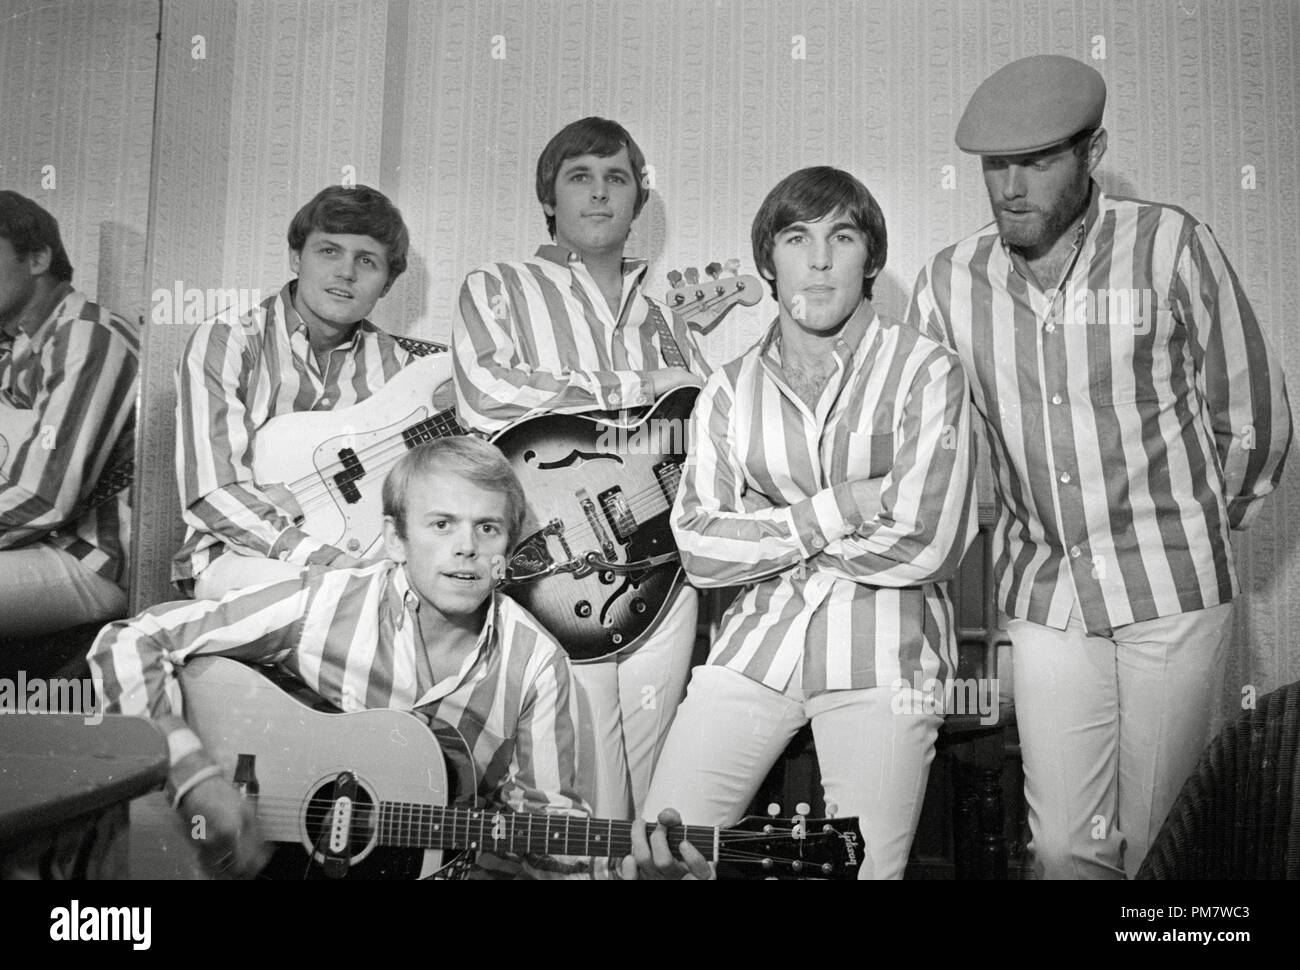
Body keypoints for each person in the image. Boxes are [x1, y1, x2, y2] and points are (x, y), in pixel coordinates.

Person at [906, 54, 1292, 878]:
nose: (1011, 187)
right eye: (995, 166)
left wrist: (1193, 521)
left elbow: (1252, 411)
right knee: (1060, 845)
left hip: (1173, 586)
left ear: (1093, 153)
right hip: (1044, 591)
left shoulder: (1170, 246)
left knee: (1158, 834)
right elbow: (936, 447)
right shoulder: (947, 282)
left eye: (1038, 162)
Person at [91, 436, 706, 879]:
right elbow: (130, 640)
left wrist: (632, 874)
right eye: (441, 524)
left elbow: (547, 837)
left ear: (510, 548)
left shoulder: (537, 662)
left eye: (488, 529)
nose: (466, 548)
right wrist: (196, 779)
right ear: (395, 538)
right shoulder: (329, 603)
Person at [642, 166, 977, 879]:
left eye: (841, 236)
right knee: (662, 853)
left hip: (886, 653)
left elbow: (931, 539)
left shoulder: (927, 370)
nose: (819, 259)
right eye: (797, 238)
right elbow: (699, 547)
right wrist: (846, 504)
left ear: (870, 259)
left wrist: (766, 532)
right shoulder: (730, 388)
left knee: (863, 874)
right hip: (754, 650)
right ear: (769, 261)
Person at [452, 117, 709, 821]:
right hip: (556, 562)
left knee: (660, 787)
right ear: (550, 199)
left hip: (662, 568)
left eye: (617, 178)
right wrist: (633, 387)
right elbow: (484, 395)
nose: (600, 194)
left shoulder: (667, 321)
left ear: (638, 201)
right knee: (587, 788)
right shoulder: (497, 285)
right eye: (580, 177)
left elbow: (705, 433)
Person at [173, 184, 433, 600]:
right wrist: (324, 560)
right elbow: (214, 493)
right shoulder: (230, 342)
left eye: (366, 261)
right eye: (329, 251)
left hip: (365, 561)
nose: (346, 272)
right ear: (297, 257)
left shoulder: (404, 369)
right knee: (342, 600)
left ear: (386, 284)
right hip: (239, 557)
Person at [0, 191, 139, 640]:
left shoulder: (87, 337)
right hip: (37, 545)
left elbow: (43, 496)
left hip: (92, 557)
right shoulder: (23, 346)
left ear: (37, 259)